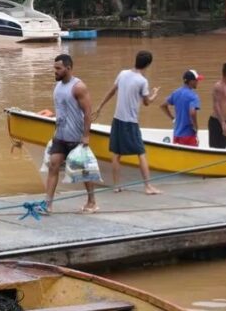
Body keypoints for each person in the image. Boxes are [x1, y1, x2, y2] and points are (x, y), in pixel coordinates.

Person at [92, 51, 161, 194]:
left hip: (117, 119)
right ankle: (148, 186)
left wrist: (100, 106)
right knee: (141, 152)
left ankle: (116, 186)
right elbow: (147, 103)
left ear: (135, 60)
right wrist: (154, 94)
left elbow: (112, 91)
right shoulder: (142, 81)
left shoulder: (122, 73)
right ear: (148, 64)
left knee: (116, 154)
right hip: (130, 122)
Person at [38, 54, 97, 214]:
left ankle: (92, 202)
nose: (55, 71)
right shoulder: (57, 86)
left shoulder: (78, 87)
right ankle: (48, 204)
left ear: (68, 68)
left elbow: (88, 112)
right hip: (60, 136)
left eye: (58, 68)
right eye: (54, 68)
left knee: (83, 170)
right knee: (53, 165)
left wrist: (86, 135)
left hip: (76, 137)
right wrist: (53, 117)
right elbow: (62, 109)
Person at [160, 70, 203, 146]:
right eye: (196, 80)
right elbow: (192, 112)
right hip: (188, 135)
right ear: (191, 81)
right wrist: (196, 127)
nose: (198, 82)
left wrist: (173, 118)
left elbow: (163, 105)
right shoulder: (193, 96)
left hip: (176, 135)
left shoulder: (176, 93)